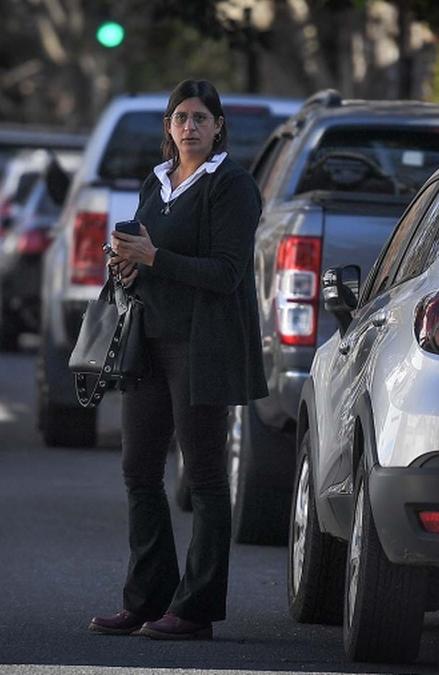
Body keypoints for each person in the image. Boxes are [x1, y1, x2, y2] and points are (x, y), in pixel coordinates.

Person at [89, 78, 268, 641]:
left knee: (205, 476)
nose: (190, 126)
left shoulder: (232, 185)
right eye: (180, 117)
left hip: (203, 345)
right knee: (139, 470)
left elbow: (226, 273)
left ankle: (195, 610)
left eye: (200, 117)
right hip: (148, 341)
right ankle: (146, 600)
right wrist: (128, 263)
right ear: (168, 127)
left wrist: (156, 256)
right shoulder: (159, 180)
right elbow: (148, 257)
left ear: (218, 128)